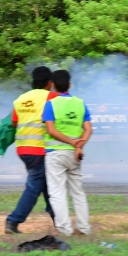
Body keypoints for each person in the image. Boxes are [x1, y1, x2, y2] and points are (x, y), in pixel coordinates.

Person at [5, 66, 57, 234]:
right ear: (50, 82)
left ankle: (59, 219)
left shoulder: (21, 99)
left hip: (23, 149)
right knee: (35, 186)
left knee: (45, 184)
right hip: (39, 149)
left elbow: (14, 123)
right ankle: (13, 220)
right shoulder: (51, 97)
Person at [43, 70, 92, 236]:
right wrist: (78, 145)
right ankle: (84, 228)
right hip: (75, 155)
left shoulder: (51, 104)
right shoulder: (80, 103)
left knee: (57, 192)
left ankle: (65, 230)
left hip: (55, 154)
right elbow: (88, 129)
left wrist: (71, 142)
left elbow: (51, 129)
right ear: (70, 85)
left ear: (53, 86)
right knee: (77, 191)